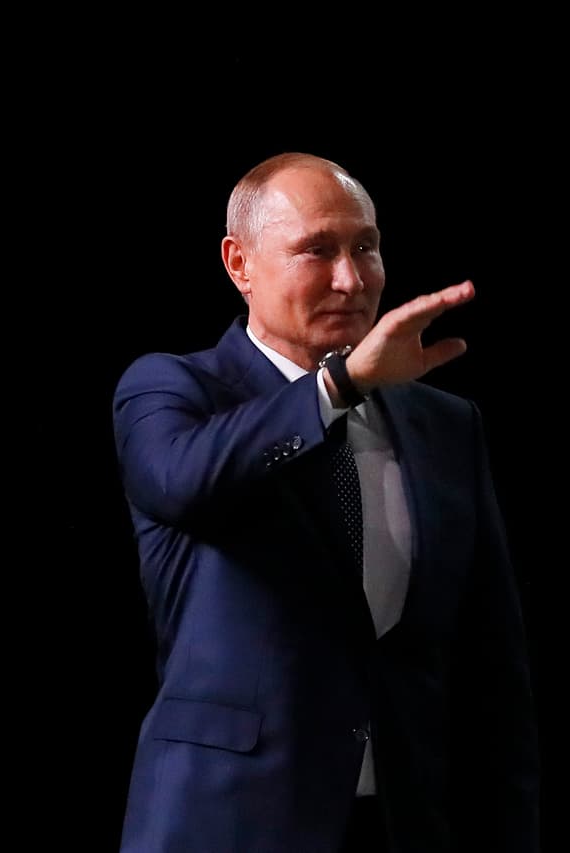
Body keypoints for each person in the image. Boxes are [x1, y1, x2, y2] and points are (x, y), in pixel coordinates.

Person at [111, 152, 539, 852]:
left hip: (407, 824)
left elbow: (493, 668)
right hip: (226, 825)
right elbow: (185, 479)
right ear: (238, 262)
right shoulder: (171, 391)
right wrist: (339, 386)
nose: (351, 278)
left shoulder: (448, 424)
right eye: (317, 250)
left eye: (365, 246)